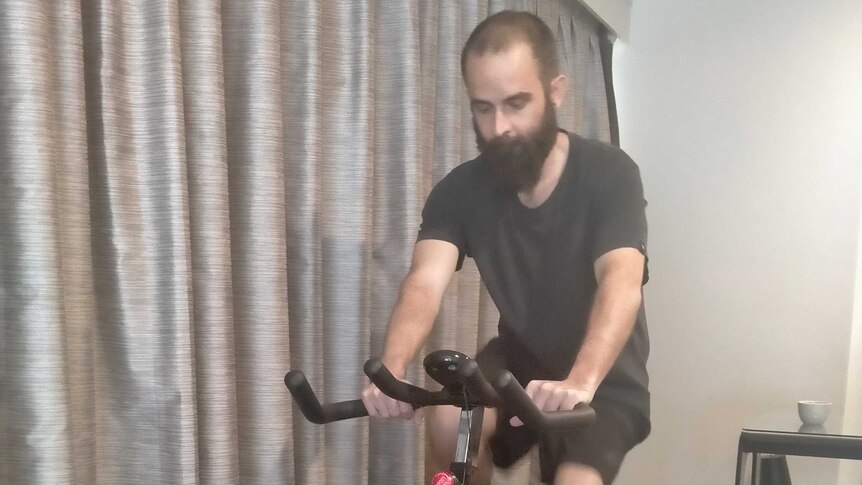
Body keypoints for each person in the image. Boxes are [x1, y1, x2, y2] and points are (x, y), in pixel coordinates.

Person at [361, 10, 650, 485]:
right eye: (483, 108)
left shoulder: (609, 175)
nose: (499, 127)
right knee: (450, 418)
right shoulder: (460, 190)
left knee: (576, 481)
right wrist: (390, 370)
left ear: (555, 92)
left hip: (606, 377)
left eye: (516, 104)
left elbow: (620, 282)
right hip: (516, 363)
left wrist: (581, 381)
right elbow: (423, 283)